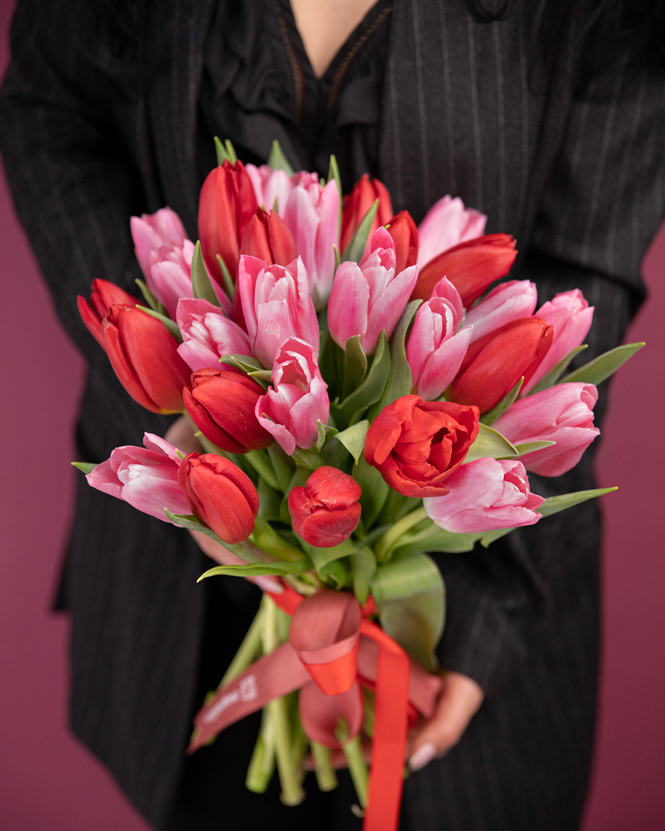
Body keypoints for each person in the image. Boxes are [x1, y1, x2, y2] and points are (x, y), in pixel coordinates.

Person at [0, 1, 663, 829]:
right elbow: (47, 110)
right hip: (184, 600)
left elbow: (572, 299)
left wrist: (480, 623)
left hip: (474, 619)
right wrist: (187, 389)